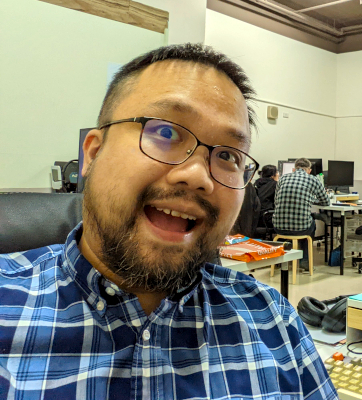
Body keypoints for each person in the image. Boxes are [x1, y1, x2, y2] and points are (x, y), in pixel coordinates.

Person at [0, 44, 337, 399]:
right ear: (93, 153)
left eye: (227, 155)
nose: (198, 176)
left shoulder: (274, 321)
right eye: (165, 133)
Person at [273, 158, 330, 270]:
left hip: (278, 227)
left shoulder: (283, 178)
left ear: (294, 169)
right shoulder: (313, 180)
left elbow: (276, 201)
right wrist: (311, 200)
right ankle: (305, 261)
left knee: (295, 221)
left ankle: (279, 260)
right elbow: (326, 202)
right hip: (301, 228)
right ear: (309, 170)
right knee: (310, 224)